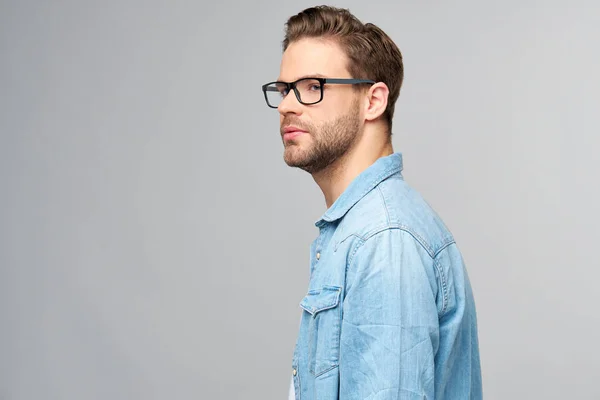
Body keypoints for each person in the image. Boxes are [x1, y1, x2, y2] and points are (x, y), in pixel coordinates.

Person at [261, 5, 482, 400]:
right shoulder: (357, 232)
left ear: (373, 101)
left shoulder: (384, 239)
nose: (287, 105)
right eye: (284, 89)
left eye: (313, 86)